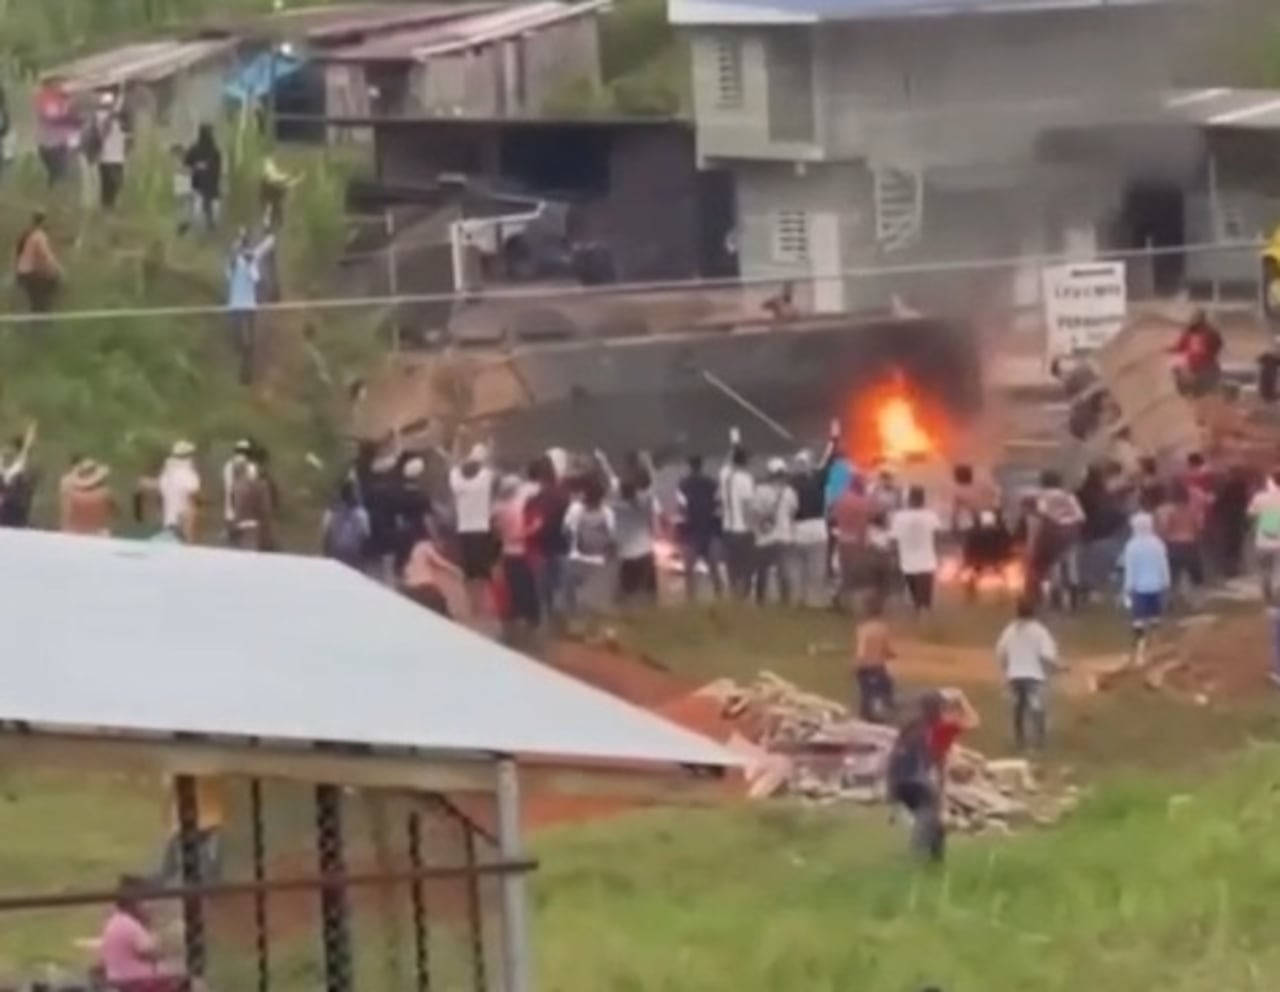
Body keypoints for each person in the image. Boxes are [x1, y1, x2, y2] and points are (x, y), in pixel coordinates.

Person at [885, 689, 979, 864]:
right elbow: (972, 721)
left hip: (896, 780)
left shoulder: (911, 727)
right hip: (916, 779)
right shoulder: (941, 728)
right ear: (940, 709)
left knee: (934, 823)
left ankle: (934, 863)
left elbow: (935, 762)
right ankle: (918, 860)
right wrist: (961, 698)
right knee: (927, 816)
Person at [97, 875, 184, 991]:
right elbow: (152, 951)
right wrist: (151, 927)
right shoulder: (131, 925)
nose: (148, 906)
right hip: (136, 980)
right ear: (134, 902)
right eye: (145, 901)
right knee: (180, 978)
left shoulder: (114, 921)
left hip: (118, 977)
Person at [995, 599, 1059, 751]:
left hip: (1015, 676)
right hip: (1034, 676)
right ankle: (1038, 742)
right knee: (1036, 709)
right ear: (1034, 613)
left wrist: (1006, 669)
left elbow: (1001, 652)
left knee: (1018, 709)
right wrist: (1058, 666)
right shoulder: (1040, 631)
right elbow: (1047, 655)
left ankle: (1019, 740)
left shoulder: (1010, 630)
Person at [450, 443, 497, 617]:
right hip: (482, 529)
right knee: (483, 573)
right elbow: (489, 463)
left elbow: (454, 464)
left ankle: (471, 606)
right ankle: (482, 606)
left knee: (468, 572)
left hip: (463, 530)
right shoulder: (485, 478)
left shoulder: (457, 481)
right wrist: (491, 448)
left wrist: (457, 442)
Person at [1027, 470, 1085, 610]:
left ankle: (1056, 599)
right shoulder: (1069, 496)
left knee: (1055, 566)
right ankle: (1074, 600)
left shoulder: (1042, 496)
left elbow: (1043, 513)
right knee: (1071, 565)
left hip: (1052, 533)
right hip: (1071, 533)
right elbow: (1081, 516)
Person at [225, 229, 274, 384]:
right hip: (236, 307)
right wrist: (239, 248)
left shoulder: (250, 260)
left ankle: (246, 374)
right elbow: (231, 263)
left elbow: (264, 248)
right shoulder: (233, 262)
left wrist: (270, 233)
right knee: (240, 342)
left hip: (248, 307)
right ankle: (244, 368)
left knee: (248, 342)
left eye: (244, 243)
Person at [525, 456, 570, 622]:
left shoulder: (534, 498)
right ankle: (558, 626)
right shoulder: (563, 495)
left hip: (540, 548)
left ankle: (546, 627)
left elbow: (530, 521)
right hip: (561, 546)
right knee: (558, 590)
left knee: (542, 594)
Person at [564, 474, 617, 618]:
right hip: (599, 561)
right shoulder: (607, 512)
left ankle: (577, 625)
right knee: (597, 601)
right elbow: (613, 539)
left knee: (579, 600)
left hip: (577, 559)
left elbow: (567, 531)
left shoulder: (576, 510)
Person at [832, 474, 884, 613]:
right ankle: (858, 605)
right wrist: (873, 493)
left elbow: (833, 516)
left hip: (843, 539)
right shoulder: (863, 501)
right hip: (858, 541)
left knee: (845, 572)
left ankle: (841, 599)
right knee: (860, 575)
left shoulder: (840, 500)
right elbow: (877, 513)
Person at [493, 475, 540, 630]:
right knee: (525, 586)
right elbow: (516, 534)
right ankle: (528, 616)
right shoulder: (517, 506)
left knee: (514, 586)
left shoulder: (498, 507)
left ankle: (517, 614)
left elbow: (499, 532)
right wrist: (533, 529)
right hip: (520, 551)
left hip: (507, 552)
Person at [675, 454, 724, 602]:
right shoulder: (712, 483)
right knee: (715, 570)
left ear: (689, 466)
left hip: (691, 532)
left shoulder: (682, 485)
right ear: (701, 465)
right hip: (709, 530)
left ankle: (691, 601)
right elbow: (719, 504)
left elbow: (681, 509)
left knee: (689, 573)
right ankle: (720, 599)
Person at [750, 457, 798, 606]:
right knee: (784, 572)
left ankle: (761, 601)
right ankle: (785, 602)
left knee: (762, 572)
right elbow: (793, 512)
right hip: (784, 536)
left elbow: (755, 513)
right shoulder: (790, 492)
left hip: (764, 539)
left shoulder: (760, 491)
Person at [1122, 511, 1171, 648]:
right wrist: (1166, 582)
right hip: (1156, 586)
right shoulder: (1158, 543)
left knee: (1138, 618)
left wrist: (1127, 588)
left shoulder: (1131, 545)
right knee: (1155, 616)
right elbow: (1164, 564)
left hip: (1139, 588)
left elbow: (1130, 569)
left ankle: (1140, 645)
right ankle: (1157, 644)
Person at [613, 464, 660, 606]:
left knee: (624, 596)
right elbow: (651, 489)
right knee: (650, 596)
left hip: (626, 556)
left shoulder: (615, 508)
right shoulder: (646, 503)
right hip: (645, 553)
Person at [890, 485, 941, 613]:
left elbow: (894, 540)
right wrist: (937, 553)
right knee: (925, 598)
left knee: (915, 596)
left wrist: (894, 556)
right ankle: (924, 617)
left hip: (907, 561)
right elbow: (937, 537)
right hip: (927, 561)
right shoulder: (931, 515)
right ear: (923, 499)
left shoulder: (899, 517)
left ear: (908, 499)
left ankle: (919, 613)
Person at [790, 448, 831, 608]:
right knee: (817, 567)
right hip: (818, 527)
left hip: (798, 528)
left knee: (799, 567)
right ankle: (815, 600)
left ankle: (801, 598)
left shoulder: (791, 483)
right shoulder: (818, 480)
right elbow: (828, 466)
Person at [719, 433, 756, 599]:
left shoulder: (724, 475)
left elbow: (727, 461)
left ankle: (734, 594)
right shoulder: (745, 479)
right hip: (742, 530)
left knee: (732, 566)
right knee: (746, 567)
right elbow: (747, 506)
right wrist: (754, 528)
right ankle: (744, 596)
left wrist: (734, 445)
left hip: (727, 528)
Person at [1155, 481, 1204, 602]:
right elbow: (1199, 527)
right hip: (1190, 543)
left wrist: (1161, 539)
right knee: (1195, 574)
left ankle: (1170, 599)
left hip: (1173, 544)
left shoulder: (1166, 510)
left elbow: (1164, 528)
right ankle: (1197, 600)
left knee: (1172, 574)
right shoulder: (1192, 510)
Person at [853, 593, 896, 722]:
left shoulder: (863, 629)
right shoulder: (883, 628)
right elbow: (887, 649)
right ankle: (883, 713)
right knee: (885, 689)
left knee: (866, 694)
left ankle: (866, 717)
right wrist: (890, 654)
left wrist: (856, 665)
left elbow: (861, 651)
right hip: (879, 666)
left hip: (866, 667)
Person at [14, 210, 62, 313]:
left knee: (35, 300)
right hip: (31, 273)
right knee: (45, 295)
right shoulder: (39, 236)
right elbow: (45, 255)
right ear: (43, 222)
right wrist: (57, 269)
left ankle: (36, 317)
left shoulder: (28, 234)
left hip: (22, 272)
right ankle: (42, 318)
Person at [1169, 309, 1223, 397]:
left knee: (1176, 365)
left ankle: (1186, 391)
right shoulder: (1212, 332)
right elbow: (1218, 345)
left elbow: (1180, 348)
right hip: (1207, 368)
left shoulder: (1188, 333)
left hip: (1197, 368)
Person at [158, 440, 202, 544]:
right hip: (182, 527)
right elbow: (192, 502)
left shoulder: (166, 475)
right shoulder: (189, 475)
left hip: (168, 525)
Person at [321, 480, 371, 570]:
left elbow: (326, 533)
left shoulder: (333, 511)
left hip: (339, 553)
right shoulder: (361, 513)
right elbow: (365, 535)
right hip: (350, 554)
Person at [92, 90, 128, 210]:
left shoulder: (117, 119)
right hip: (107, 156)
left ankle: (109, 207)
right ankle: (107, 207)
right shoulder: (100, 116)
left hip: (117, 157)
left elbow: (124, 132)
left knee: (113, 185)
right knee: (110, 184)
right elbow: (103, 132)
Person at [1248, 470, 1280, 600]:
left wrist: (1255, 528)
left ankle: (1265, 588)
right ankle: (1277, 590)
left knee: (1264, 568)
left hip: (1262, 539)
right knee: (1278, 568)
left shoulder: (1259, 497)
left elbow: (1251, 515)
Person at [184, 124, 222, 231]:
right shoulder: (214, 150)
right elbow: (187, 162)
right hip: (206, 185)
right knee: (206, 213)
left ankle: (206, 231)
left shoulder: (199, 149)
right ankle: (207, 231)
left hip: (201, 184)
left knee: (203, 213)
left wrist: (197, 167)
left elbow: (187, 162)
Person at [61, 460, 115, 536]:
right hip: (96, 534)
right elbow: (115, 513)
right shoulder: (105, 493)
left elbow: (66, 515)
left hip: (72, 532)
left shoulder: (70, 493)